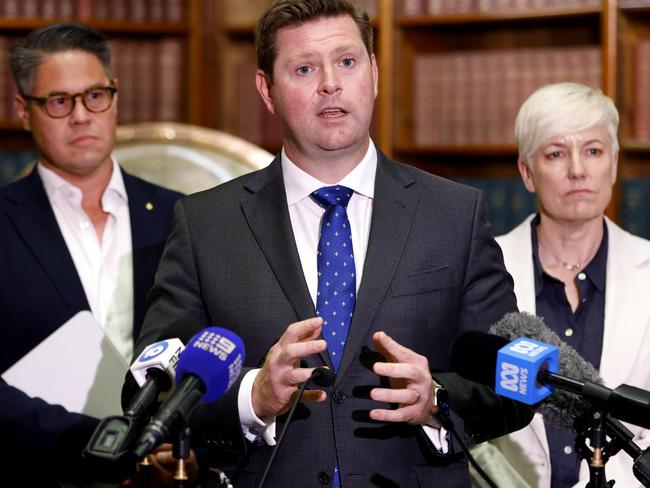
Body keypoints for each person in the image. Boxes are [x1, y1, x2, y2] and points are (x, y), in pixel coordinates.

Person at [133, 1, 533, 486]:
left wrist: (436, 401)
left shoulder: (455, 214)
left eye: (347, 62)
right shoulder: (206, 223)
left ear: (375, 73)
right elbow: (148, 384)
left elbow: (515, 382)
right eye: (304, 68)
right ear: (267, 90)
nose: (331, 83)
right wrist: (252, 397)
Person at [0, 23, 187, 486]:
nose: (82, 115)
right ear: (23, 110)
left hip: (168, 470)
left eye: (95, 96)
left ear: (116, 97)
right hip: (36, 471)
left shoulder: (182, 215)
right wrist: (101, 442)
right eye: (59, 101)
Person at [473, 82, 650, 487]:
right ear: (527, 173)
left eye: (593, 150)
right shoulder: (481, 271)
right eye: (556, 153)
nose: (577, 170)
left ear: (615, 163)